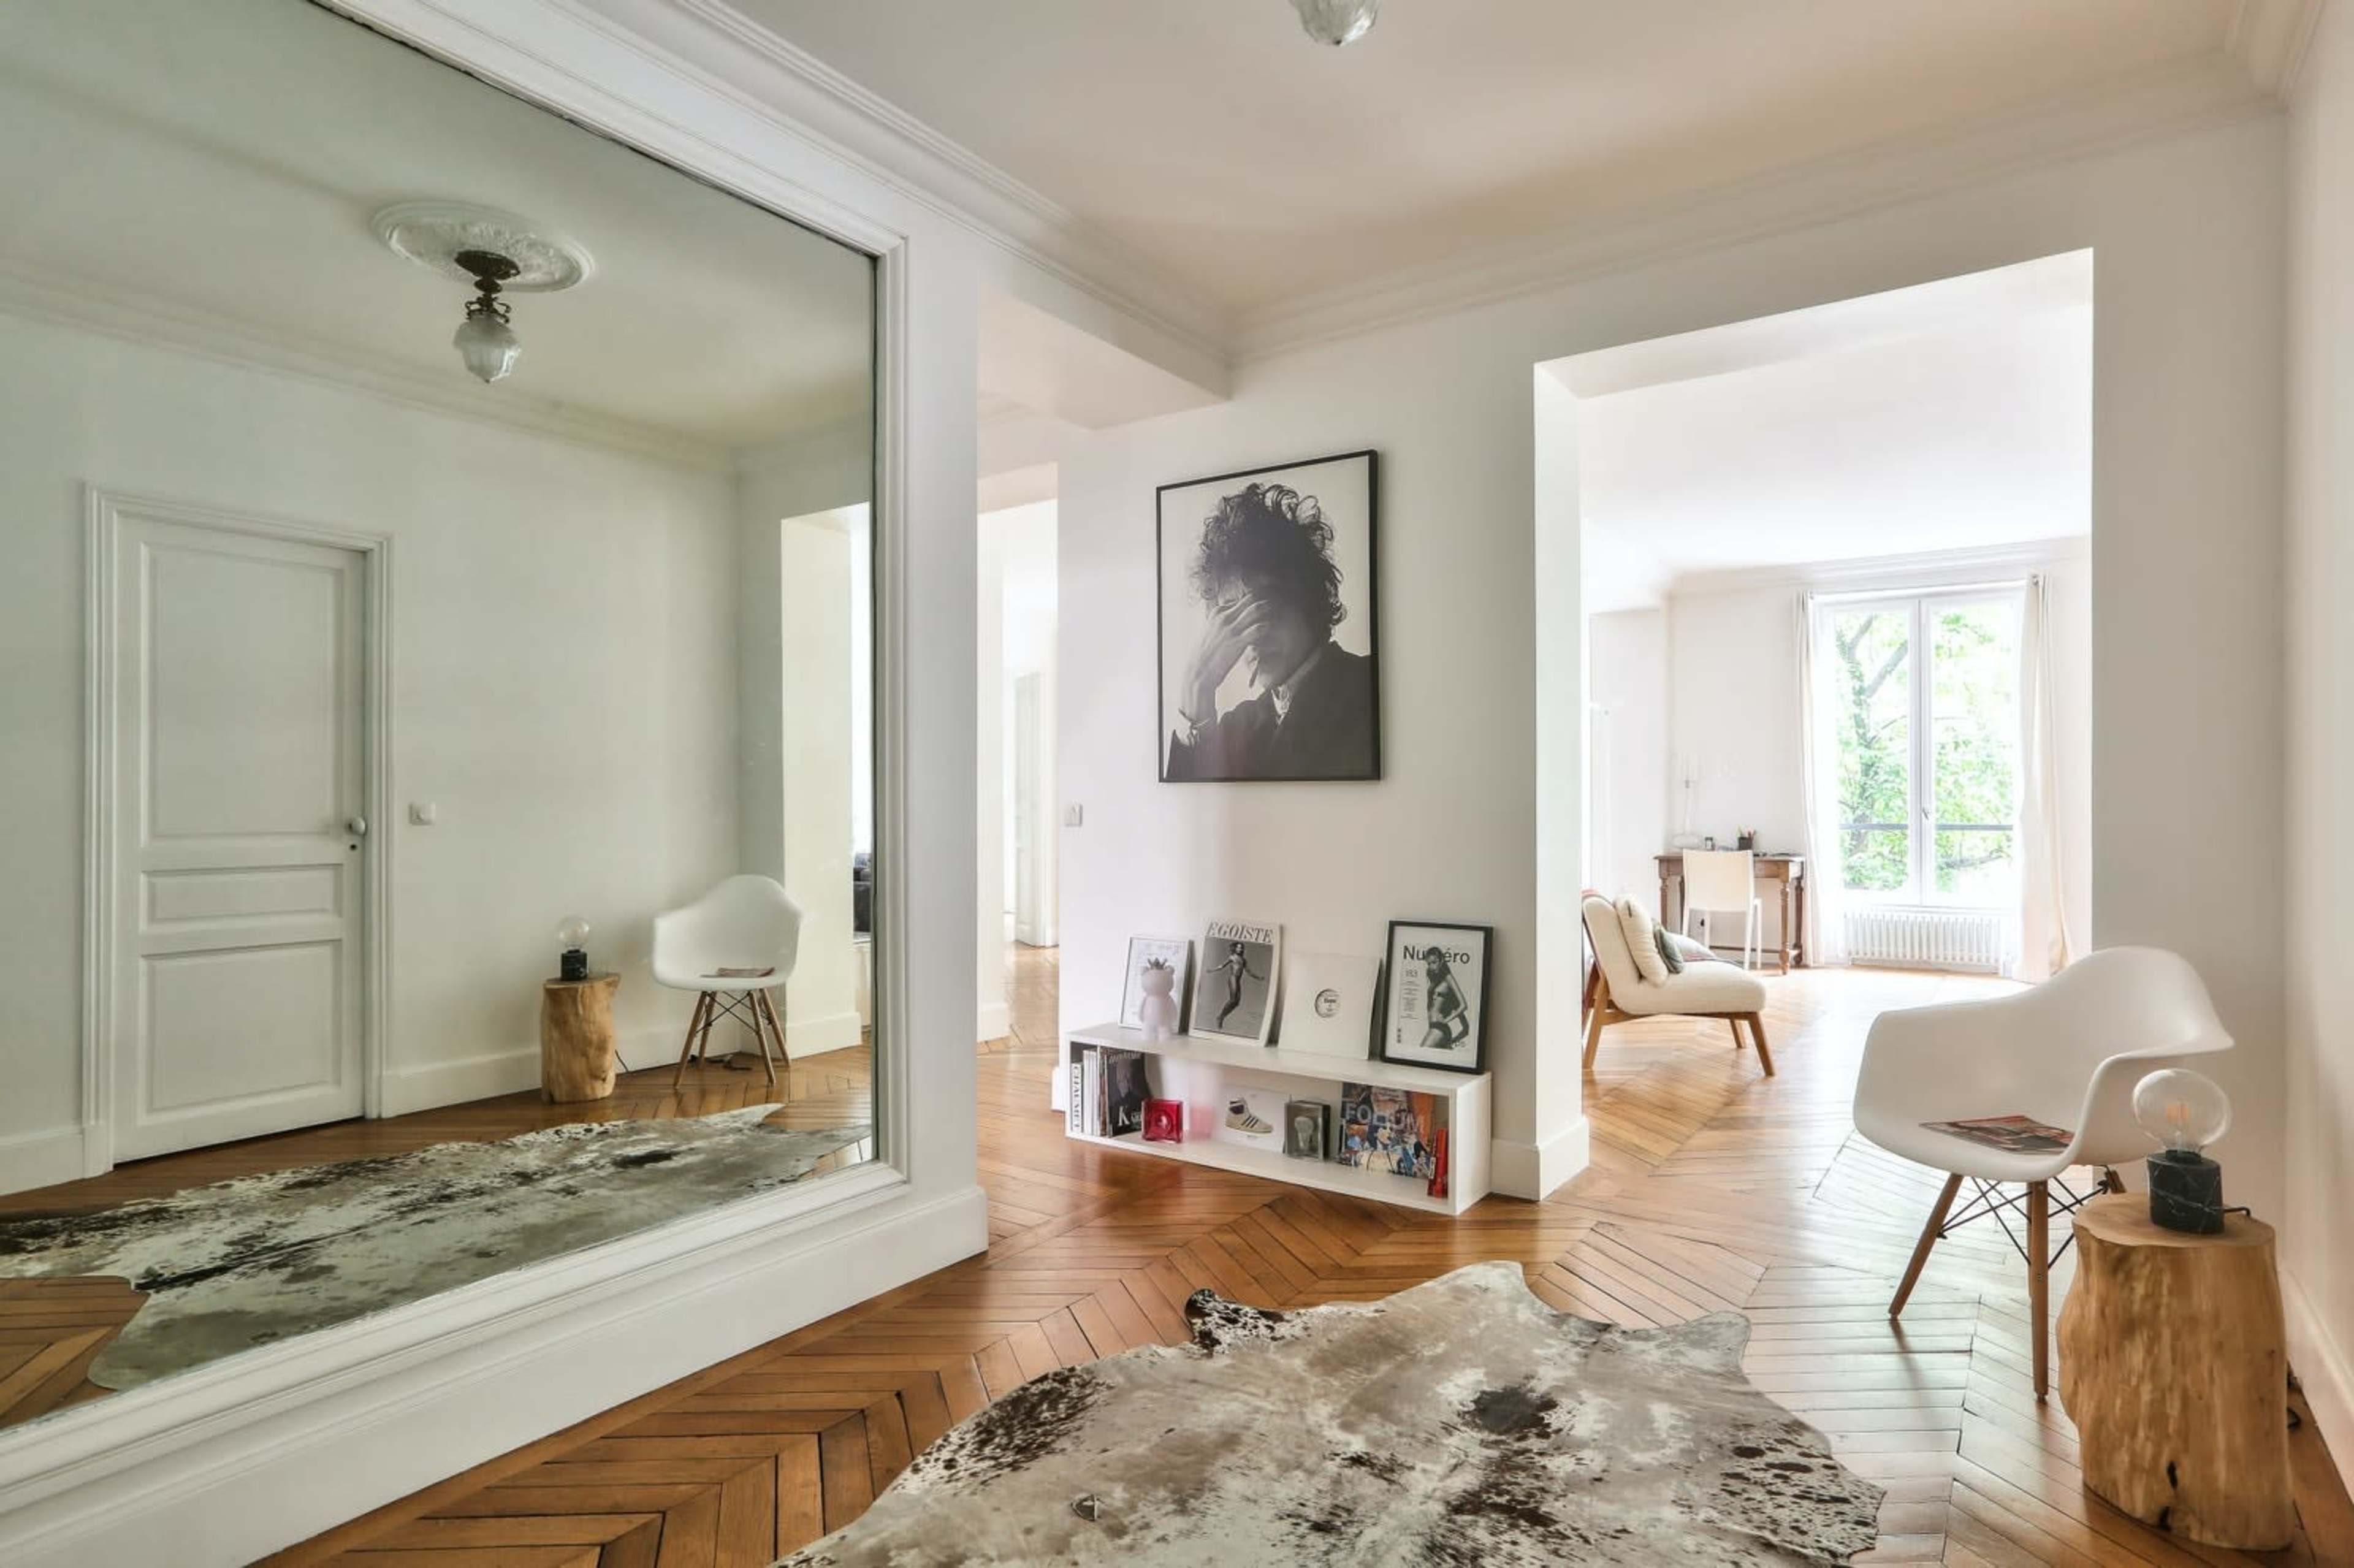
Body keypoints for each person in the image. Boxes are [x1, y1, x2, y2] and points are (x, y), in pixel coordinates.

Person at [1165, 481, 1375, 780]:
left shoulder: (1371, 687)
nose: (1251, 633)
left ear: (1308, 597)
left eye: (1263, 604)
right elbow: (1191, 820)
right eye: (1232, 615)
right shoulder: (1234, 727)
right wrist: (1196, 703)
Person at [1417, 948, 1472, 1054]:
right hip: (1434, 1028)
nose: (1431, 967)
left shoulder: (1448, 978)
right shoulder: (1434, 979)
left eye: (1434, 962)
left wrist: (1446, 1021)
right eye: (1429, 964)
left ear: (1442, 960)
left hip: (1439, 1030)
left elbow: (1464, 1005)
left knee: (1420, 1054)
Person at [1204, 940, 1263, 1031]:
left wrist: (1259, 978)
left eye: (1241, 948)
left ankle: (1221, 1017)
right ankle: (1220, 1017)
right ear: (1235, 949)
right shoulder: (1232, 957)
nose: (1240, 949)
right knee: (1233, 1000)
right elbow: (1222, 966)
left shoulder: (1244, 960)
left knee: (1236, 1003)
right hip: (1233, 979)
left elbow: (1249, 972)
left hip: (1238, 980)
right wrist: (1212, 970)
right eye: (1238, 947)